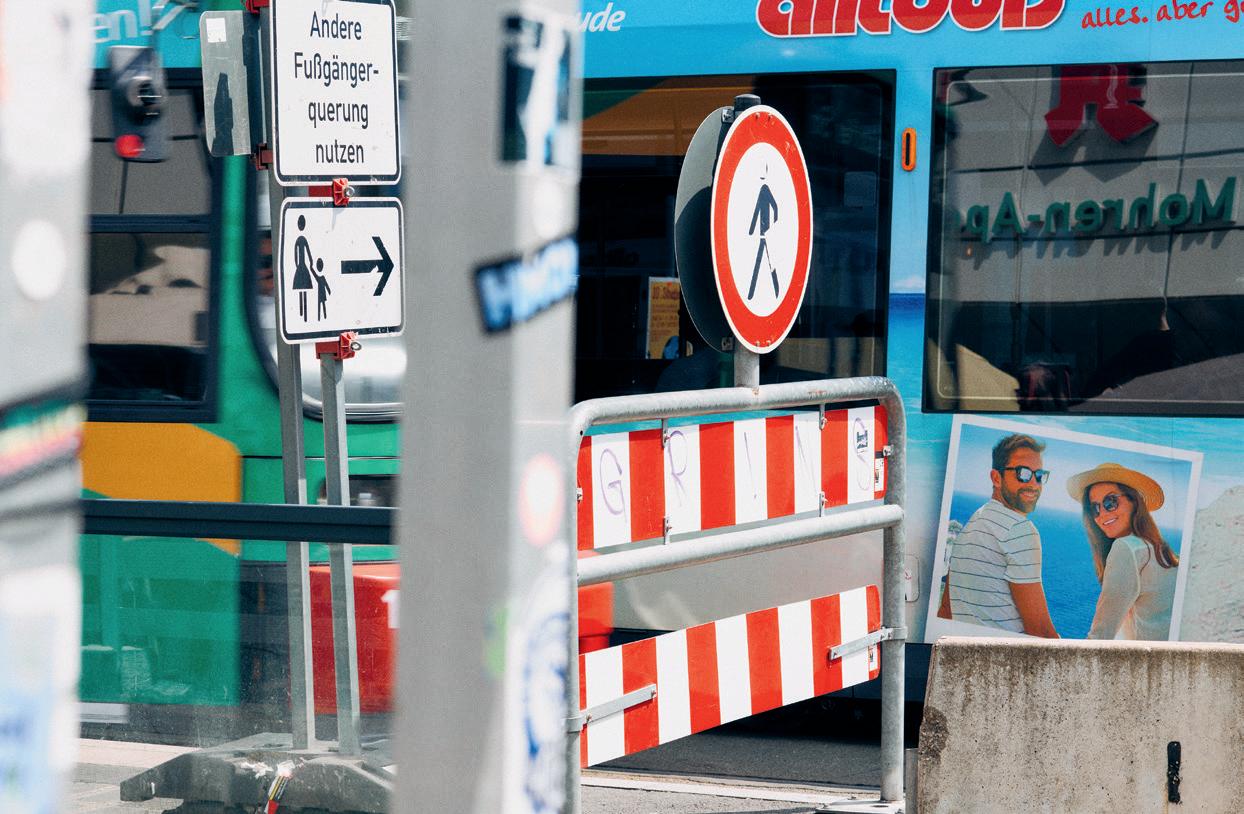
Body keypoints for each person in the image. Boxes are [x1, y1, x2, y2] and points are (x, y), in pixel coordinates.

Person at [938, 434, 1059, 637]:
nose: (1034, 483)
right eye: (1023, 473)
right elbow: (1041, 632)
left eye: (1039, 475)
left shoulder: (972, 524)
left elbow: (946, 611)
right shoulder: (1019, 530)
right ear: (996, 478)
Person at [1066, 463, 1178, 640]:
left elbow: (1100, 636)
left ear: (1134, 501)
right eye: (1094, 508)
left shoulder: (1126, 548)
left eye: (1110, 502)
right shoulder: (1162, 552)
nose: (1102, 514)